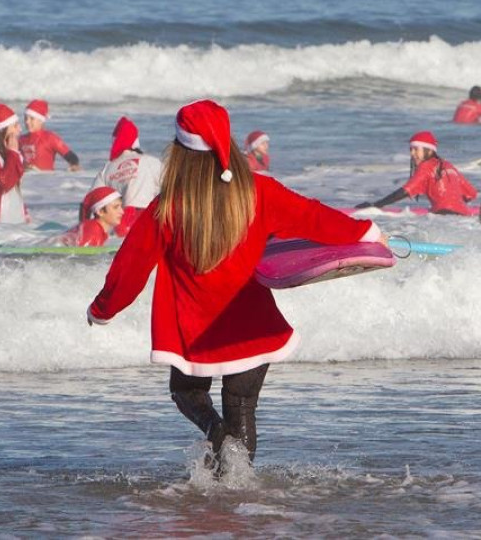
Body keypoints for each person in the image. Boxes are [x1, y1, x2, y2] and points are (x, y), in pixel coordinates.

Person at [87, 100, 386, 467]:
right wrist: (367, 232)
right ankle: (238, 488)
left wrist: (102, 310)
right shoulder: (258, 192)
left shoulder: (166, 209)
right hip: (250, 325)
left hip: (194, 331)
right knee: (242, 406)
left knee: (185, 391)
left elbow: (128, 271)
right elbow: (314, 217)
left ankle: (216, 434)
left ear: (180, 153)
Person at [355, 131, 478, 215]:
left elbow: (405, 191)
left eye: (415, 149)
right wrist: (455, 204)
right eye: (410, 149)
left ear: (429, 151)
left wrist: (376, 205)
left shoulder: (426, 167)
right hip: (464, 216)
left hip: (443, 217)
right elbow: (471, 193)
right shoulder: (448, 165)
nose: (412, 153)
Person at [91, 116, 163, 237]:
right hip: (148, 220)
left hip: (119, 224)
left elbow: (91, 201)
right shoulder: (152, 162)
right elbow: (177, 188)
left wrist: (88, 228)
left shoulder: (107, 168)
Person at [19, 100, 81, 172]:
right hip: (28, 180)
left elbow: (71, 156)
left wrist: (74, 165)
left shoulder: (50, 138)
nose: (27, 121)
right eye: (25, 118)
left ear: (41, 120)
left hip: (47, 180)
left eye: (31, 119)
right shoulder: (21, 139)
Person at [57, 186, 123, 247]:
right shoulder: (93, 230)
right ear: (100, 212)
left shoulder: (94, 228)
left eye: (121, 206)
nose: (122, 212)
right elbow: (82, 255)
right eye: (115, 207)